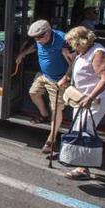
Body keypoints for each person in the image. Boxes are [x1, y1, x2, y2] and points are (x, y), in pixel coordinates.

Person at [58, 26, 105, 180]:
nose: (70, 45)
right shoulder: (83, 51)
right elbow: (74, 65)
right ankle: (81, 162)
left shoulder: (98, 53)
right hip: (82, 97)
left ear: (81, 41)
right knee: (80, 127)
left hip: (95, 99)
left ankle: (83, 168)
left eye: (71, 41)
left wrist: (90, 97)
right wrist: (66, 77)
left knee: (84, 129)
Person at [15, 20, 72, 153]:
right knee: (33, 93)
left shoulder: (64, 40)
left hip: (59, 79)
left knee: (56, 108)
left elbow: (74, 62)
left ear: (49, 31)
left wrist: (66, 77)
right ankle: (44, 115)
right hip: (44, 75)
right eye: (35, 37)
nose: (38, 40)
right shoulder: (39, 40)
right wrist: (23, 54)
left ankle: (51, 140)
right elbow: (35, 46)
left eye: (40, 37)